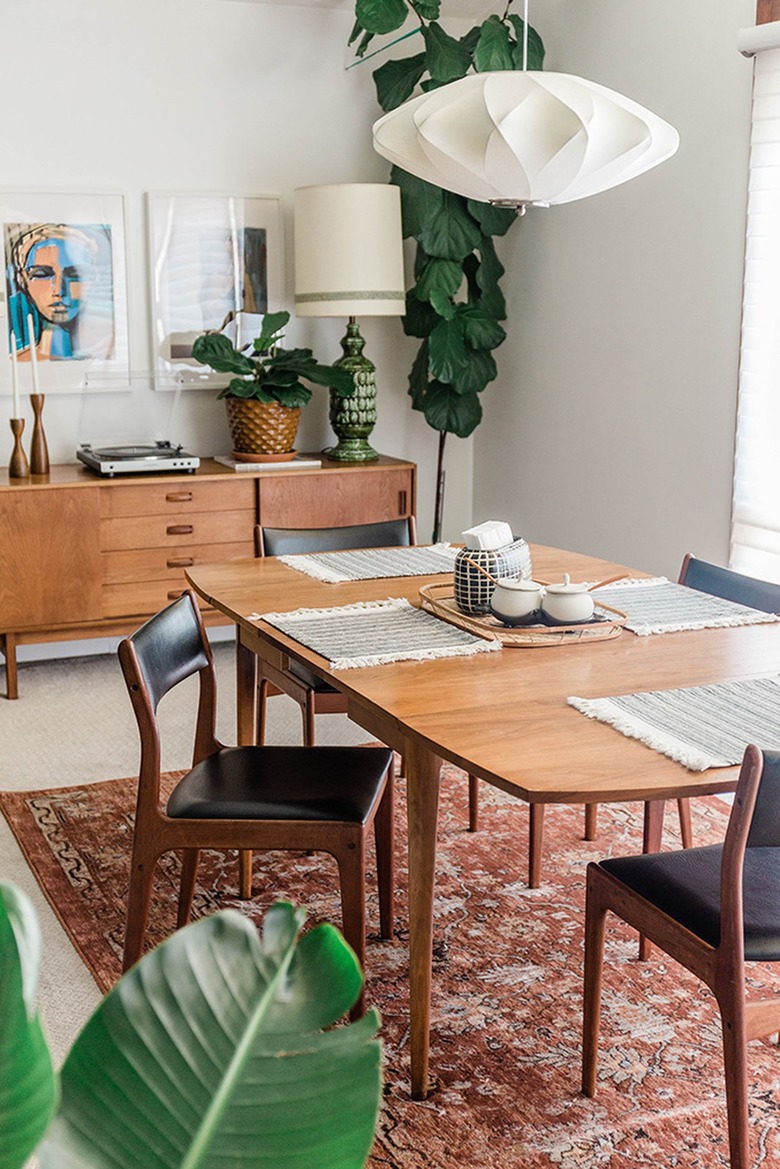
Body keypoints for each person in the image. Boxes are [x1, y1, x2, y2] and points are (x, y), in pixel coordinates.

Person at [7, 223, 114, 360]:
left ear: (93, 279)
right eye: (42, 274)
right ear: (23, 281)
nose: (59, 290)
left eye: (74, 274)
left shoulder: (108, 358)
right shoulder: (12, 364)